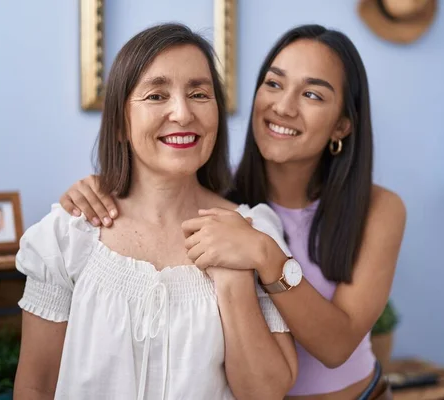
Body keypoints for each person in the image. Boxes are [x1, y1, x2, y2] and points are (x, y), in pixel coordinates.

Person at [61, 24, 406, 399]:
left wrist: (266, 255)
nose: (283, 106)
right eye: (273, 84)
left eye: (311, 94)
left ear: (342, 124)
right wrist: (102, 188)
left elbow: (336, 346)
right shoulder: (220, 203)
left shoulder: (378, 209)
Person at [14, 23, 297, 400]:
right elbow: (35, 386)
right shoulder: (66, 237)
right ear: (120, 123)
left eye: (199, 93)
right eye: (156, 95)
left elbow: (266, 393)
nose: (182, 113)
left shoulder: (254, 230)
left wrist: (234, 282)